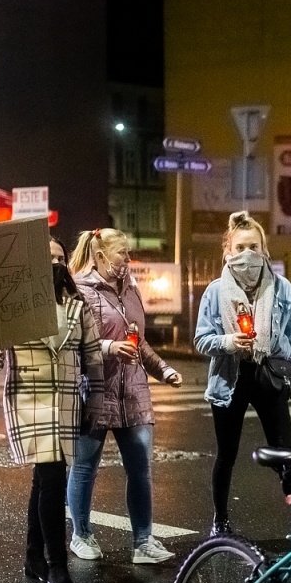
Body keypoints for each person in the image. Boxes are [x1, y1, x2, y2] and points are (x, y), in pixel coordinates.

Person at [0, 236, 103, 583]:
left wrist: (97, 401)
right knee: (52, 476)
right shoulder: (11, 306)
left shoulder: (79, 304)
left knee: (44, 480)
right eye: (47, 258)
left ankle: (33, 557)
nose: (56, 264)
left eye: (60, 258)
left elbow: (92, 357)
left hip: (66, 401)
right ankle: (57, 566)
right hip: (29, 400)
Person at [194, 211, 291, 539]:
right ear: (227, 251)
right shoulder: (215, 291)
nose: (247, 254)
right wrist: (227, 341)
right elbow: (201, 339)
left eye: (253, 246)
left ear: (265, 250)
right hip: (230, 377)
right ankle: (220, 522)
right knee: (226, 454)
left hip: (271, 375)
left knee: (286, 456)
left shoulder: (281, 289)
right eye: (240, 248)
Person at [65, 228, 184, 565]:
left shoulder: (130, 287)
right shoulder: (80, 290)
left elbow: (138, 339)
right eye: (122, 254)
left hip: (132, 389)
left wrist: (163, 369)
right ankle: (81, 534)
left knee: (140, 468)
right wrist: (108, 347)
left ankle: (143, 541)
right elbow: (73, 340)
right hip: (95, 388)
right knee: (85, 467)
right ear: (101, 256)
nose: (127, 260)